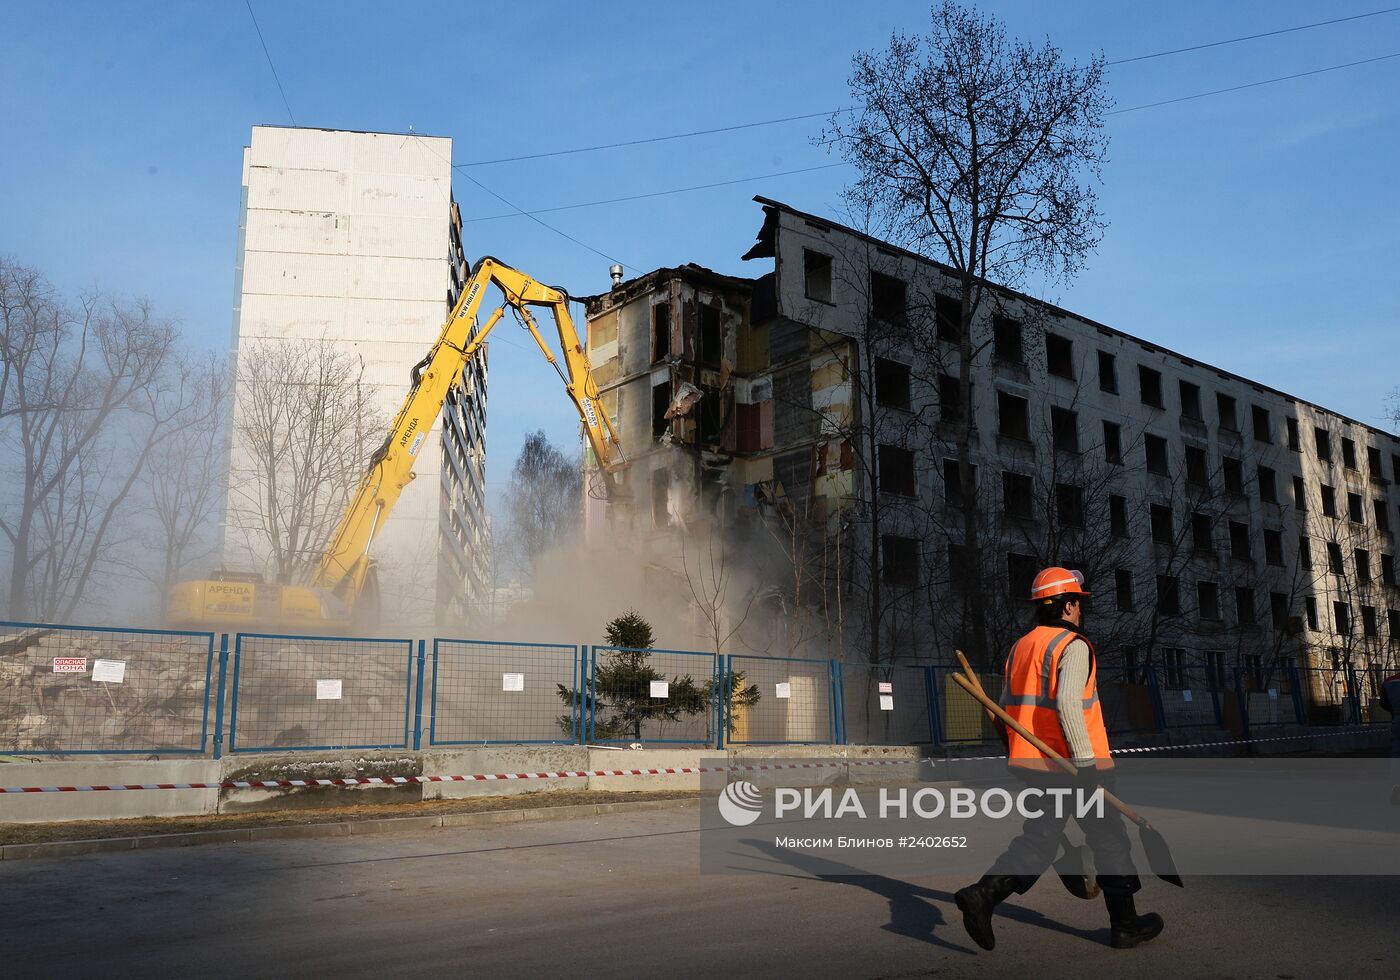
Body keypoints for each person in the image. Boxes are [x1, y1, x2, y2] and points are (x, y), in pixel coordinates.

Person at [954, 567, 1165, 951]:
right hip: (1076, 766)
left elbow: (1004, 709)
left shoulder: (1022, 647)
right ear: (1067, 606)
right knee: (1110, 840)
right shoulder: (1073, 645)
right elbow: (1069, 703)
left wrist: (1014, 749)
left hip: (1037, 766)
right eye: (1078, 603)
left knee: (1040, 837)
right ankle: (1126, 925)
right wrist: (1085, 765)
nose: (1080, 610)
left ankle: (983, 894)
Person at [1380, 668, 1400, 805]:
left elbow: (1383, 703)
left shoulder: (1389, 681)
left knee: (1397, 755)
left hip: (1398, 721)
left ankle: (1397, 788)